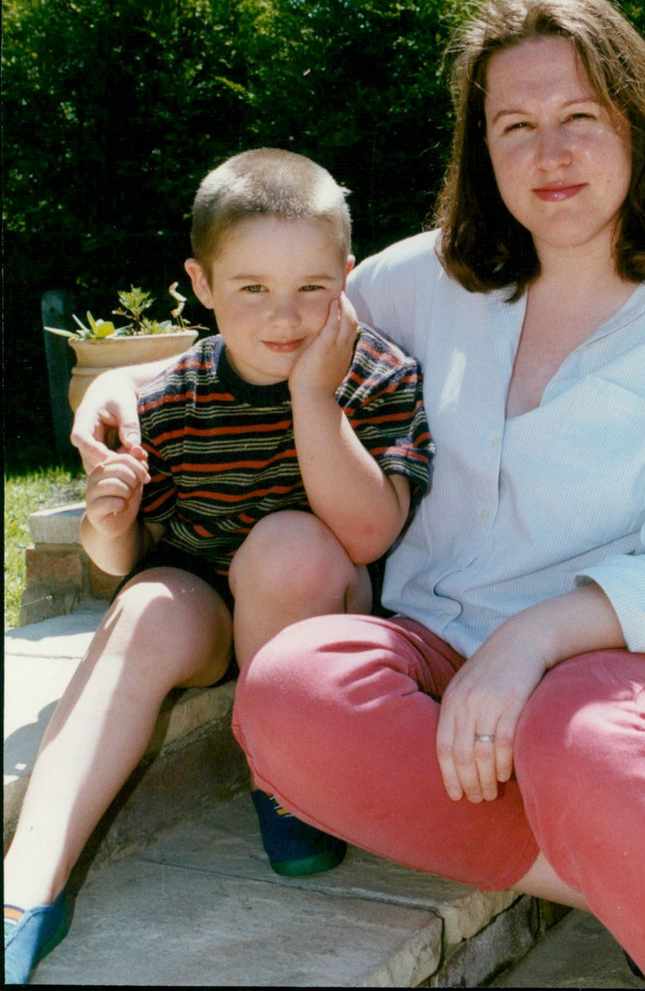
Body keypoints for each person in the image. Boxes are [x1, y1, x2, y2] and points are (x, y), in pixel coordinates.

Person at [58, 0, 645, 989]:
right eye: (513, 125)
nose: (549, 152)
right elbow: (277, 319)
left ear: (639, 122)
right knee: (285, 696)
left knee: (574, 737)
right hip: (433, 648)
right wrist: (140, 379)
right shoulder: (425, 276)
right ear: (481, 152)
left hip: (624, 661)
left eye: (580, 115)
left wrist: (528, 641)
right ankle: (642, 875)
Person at [4, 149, 434, 985]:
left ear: (346, 277)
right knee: (143, 608)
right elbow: (118, 564)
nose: (286, 317)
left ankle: (287, 779)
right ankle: (26, 886)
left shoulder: (378, 375)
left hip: (314, 609)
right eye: (252, 290)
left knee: (288, 545)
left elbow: (369, 532)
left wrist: (314, 396)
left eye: (313, 288)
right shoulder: (169, 396)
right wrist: (108, 522)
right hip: (205, 606)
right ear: (201, 285)